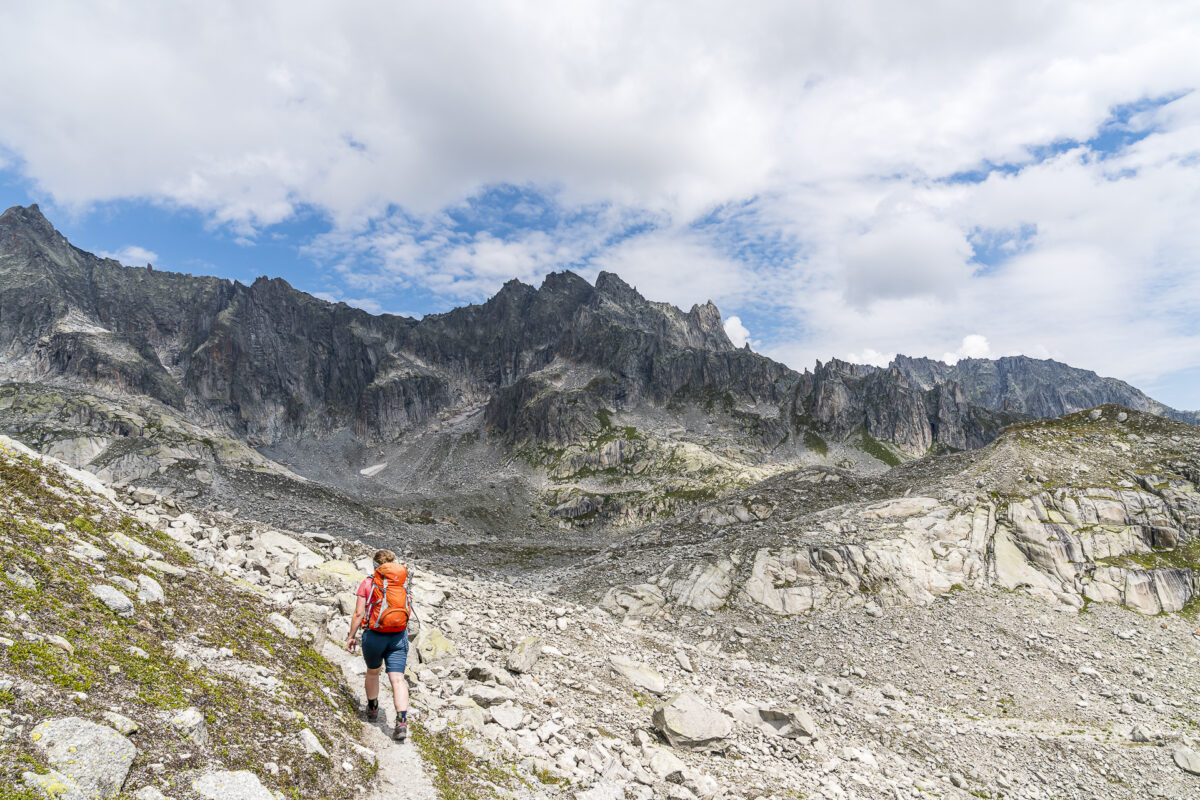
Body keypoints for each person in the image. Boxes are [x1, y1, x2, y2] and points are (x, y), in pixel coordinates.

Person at [346, 549, 412, 740]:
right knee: (398, 679)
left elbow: (359, 614)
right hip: (398, 636)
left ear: (375, 566)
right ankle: (401, 722)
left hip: (374, 635)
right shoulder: (400, 585)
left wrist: (351, 636)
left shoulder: (368, 583)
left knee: (373, 672)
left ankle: (373, 708)